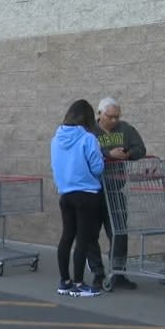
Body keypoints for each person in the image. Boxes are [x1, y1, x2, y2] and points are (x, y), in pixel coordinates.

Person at [88, 97, 146, 291]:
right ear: (99, 114)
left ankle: (118, 273)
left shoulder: (125, 129)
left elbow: (140, 149)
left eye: (116, 117)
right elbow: (85, 152)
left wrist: (127, 153)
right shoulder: (89, 131)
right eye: (109, 117)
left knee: (119, 232)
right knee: (91, 233)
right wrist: (107, 153)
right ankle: (98, 272)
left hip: (115, 188)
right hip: (94, 188)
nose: (113, 121)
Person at [51, 99, 104, 297]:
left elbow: (55, 166)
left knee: (67, 237)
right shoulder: (88, 139)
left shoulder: (56, 139)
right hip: (87, 194)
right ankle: (80, 284)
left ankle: (65, 281)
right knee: (83, 239)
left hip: (66, 194)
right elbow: (97, 167)